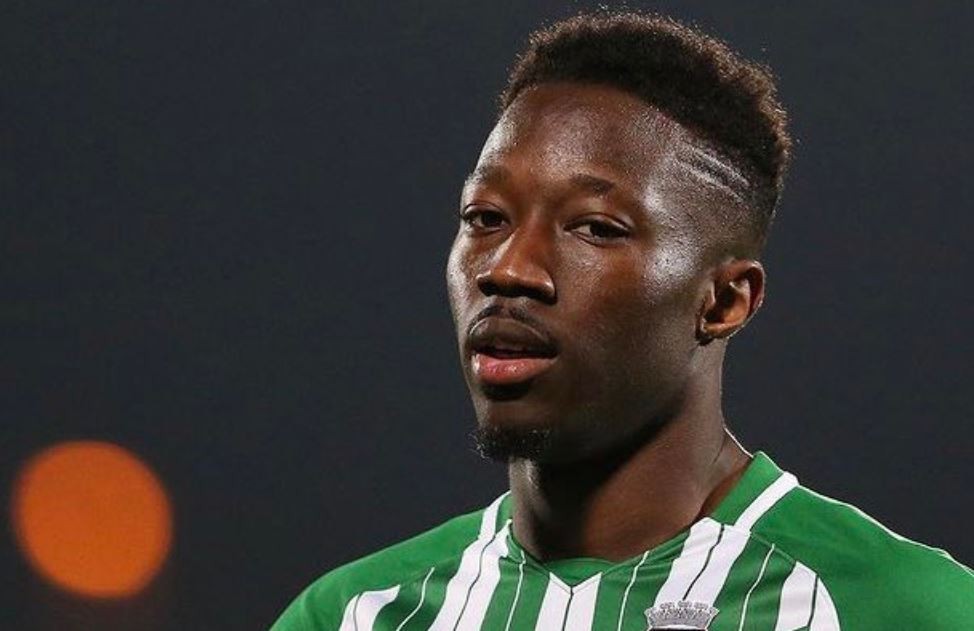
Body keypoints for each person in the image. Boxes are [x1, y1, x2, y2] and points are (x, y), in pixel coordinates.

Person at [270, 11, 973, 630]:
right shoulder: (356, 614)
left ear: (724, 302)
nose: (507, 268)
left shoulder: (900, 608)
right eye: (485, 218)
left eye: (595, 228)